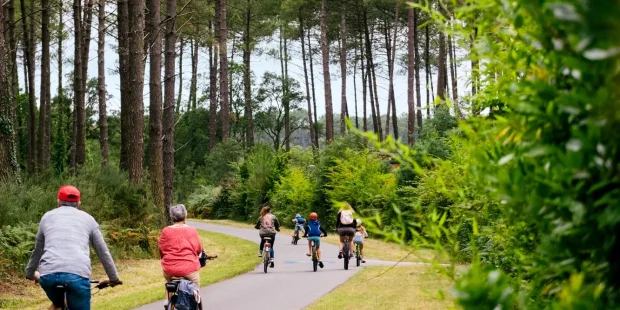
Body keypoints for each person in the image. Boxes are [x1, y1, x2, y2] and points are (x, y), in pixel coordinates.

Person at [25, 185, 121, 310]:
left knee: (58, 304)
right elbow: (103, 253)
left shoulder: (46, 218)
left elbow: (38, 250)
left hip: (49, 277)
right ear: (79, 203)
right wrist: (113, 278)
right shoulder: (89, 220)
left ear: (58, 202)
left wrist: (30, 273)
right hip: (78, 277)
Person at [158, 204, 213, 307]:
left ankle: (167, 299)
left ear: (172, 217)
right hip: (189, 270)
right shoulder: (191, 230)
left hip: (170, 270)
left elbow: (161, 249)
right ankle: (196, 304)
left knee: (169, 281)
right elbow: (198, 249)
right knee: (196, 289)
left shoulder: (166, 231)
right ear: (185, 216)